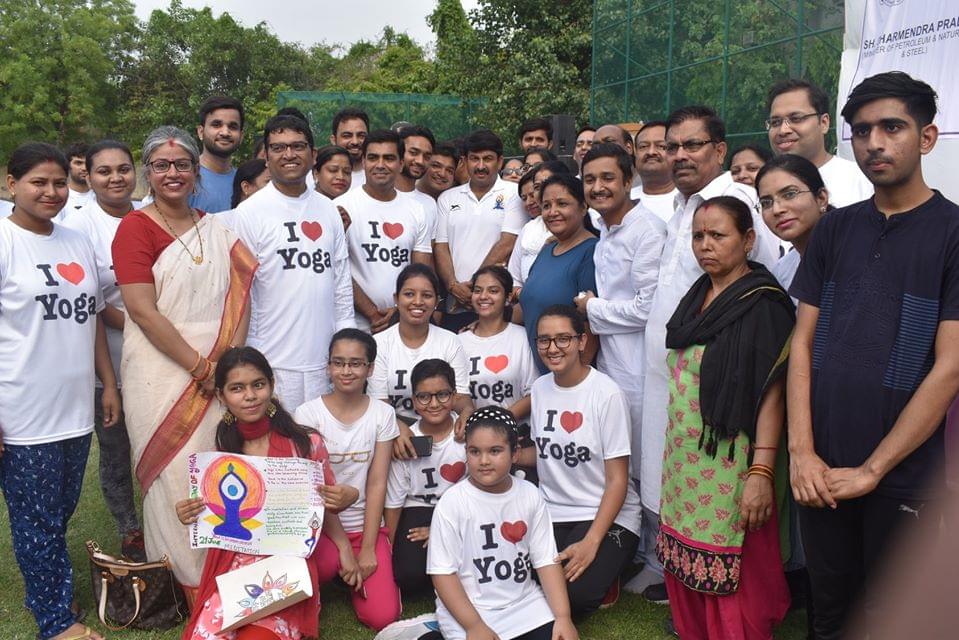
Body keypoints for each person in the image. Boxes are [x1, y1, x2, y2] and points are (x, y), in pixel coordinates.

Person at [788, 71, 959, 639]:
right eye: (861, 132)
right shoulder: (835, 229)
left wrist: (871, 470)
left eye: (892, 127)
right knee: (829, 612)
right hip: (821, 470)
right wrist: (803, 453)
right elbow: (803, 344)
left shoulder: (954, 234)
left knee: (892, 619)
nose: (875, 144)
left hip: (903, 475)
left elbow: (950, 366)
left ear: (927, 138)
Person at [640, 105, 781, 605]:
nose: (678, 155)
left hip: (720, 390)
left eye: (692, 145)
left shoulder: (736, 200)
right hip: (676, 385)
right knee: (675, 494)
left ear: (719, 150)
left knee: (720, 509)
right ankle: (682, 588)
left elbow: (759, 293)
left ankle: (724, 606)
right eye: (671, 145)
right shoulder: (683, 207)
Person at [113, 126, 257, 596]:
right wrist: (200, 367)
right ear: (147, 174)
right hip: (160, 368)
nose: (172, 173)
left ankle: (223, 568)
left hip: (218, 365)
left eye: (181, 165)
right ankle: (179, 579)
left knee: (215, 462)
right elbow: (140, 309)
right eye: (161, 165)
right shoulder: (134, 227)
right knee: (171, 471)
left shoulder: (215, 229)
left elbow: (240, 295)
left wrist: (228, 365)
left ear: (196, 172)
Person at [658, 195, 794, 639]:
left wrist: (760, 472)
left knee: (735, 560)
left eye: (718, 235)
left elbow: (772, 395)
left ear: (748, 240)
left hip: (734, 462)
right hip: (684, 458)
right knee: (687, 554)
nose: (705, 245)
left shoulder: (763, 304)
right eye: (698, 236)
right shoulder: (697, 297)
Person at [1, 142, 119, 640]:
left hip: (73, 405)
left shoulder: (75, 241)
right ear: (11, 184)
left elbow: (91, 315)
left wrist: (107, 382)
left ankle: (44, 587)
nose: (50, 192)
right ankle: (56, 621)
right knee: (38, 521)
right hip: (21, 410)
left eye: (56, 183)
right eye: (37, 182)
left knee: (57, 512)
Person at [177, 347, 360, 640]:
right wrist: (190, 511)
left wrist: (348, 499)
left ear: (271, 386)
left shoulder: (305, 444)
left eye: (257, 385)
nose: (249, 396)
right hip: (234, 564)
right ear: (222, 397)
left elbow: (325, 502)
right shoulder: (222, 453)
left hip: (285, 567)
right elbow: (214, 512)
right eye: (237, 388)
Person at [573, 143, 666, 593]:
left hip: (643, 369)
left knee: (647, 462)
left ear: (628, 179)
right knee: (621, 462)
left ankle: (659, 563)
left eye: (608, 178)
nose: (598, 187)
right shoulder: (605, 232)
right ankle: (633, 552)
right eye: (590, 180)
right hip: (613, 364)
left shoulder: (647, 230)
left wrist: (593, 309)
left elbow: (651, 307)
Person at [517, 305, 642, 615]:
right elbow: (548, 452)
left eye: (563, 338)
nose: (553, 348)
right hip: (553, 510)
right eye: (544, 340)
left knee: (575, 596)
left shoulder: (606, 394)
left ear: (581, 341)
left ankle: (611, 572)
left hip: (606, 512)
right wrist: (511, 457)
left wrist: (592, 542)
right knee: (523, 581)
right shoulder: (540, 389)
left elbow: (617, 480)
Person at [230, 114, 355, 408]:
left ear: (313, 155)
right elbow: (239, 292)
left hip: (324, 361)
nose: (288, 154)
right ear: (267, 156)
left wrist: (346, 346)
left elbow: (341, 284)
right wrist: (249, 357)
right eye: (278, 147)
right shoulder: (249, 213)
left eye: (297, 146)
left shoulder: (328, 210)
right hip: (271, 360)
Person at [428, 406, 579, 640]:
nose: (484, 460)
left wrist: (562, 617)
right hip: (470, 612)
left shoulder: (530, 495)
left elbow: (546, 562)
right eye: (475, 452)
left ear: (515, 453)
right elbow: (443, 574)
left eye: (495, 451)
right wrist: (474, 626)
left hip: (525, 606)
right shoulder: (452, 503)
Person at [62, 140, 144, 560]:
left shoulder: (152, 213)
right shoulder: (79, 227)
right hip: (107, 359)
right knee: (115, 449)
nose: (116, 178)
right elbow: (93, 300)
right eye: (104, 171)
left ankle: (170, 520)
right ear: (88, 177)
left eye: (124, 169)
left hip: (158, 357)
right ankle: (130, 530)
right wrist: (149, 326)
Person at [294, 330, 402, 631]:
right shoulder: (308, 414)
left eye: (355, 363)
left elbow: (377, 482)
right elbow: (313, 490)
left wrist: (368, 547)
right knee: (325, 564)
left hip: (366, 525)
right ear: (328, 366)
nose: (346, 371)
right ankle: (334, 574)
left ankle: (354, 573)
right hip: (323, 528)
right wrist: (343, 547)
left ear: (369, 368)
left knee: (383, 617)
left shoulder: (383, 414)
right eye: (338, 362)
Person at [335, 129, 433, 333]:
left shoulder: (417, 210)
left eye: (388, 158)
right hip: (356, 325)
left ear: (401, 164)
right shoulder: (341, 207)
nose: (380, 165)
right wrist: (371, 313)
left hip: (404, 324)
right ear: (363, 162)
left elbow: (420, 272)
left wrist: (399, 311)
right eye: (373, 158)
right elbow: (338, 271)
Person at [384, 359, 468, 596]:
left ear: (453, 396)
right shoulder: (407, 439)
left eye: (442, 395)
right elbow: (394, 500)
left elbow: (478, 491)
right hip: (418, 507)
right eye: (424, 397)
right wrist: (387, 549)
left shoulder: (466, 433)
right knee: (408, 577)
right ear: (413, 401)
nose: (433, 404)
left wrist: (441, 530)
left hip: (461, 510)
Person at [435, 129, 527, 332]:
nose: (481, 166)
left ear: (500, 161)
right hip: (456, 304)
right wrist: (453, 286)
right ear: (464, 161)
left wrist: (476, 287)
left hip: (497, 303)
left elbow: (506, 243)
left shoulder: (514, 194)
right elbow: (441, 246)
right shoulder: (447, 198)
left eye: (488, 159)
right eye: (474, 159)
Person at [368, 264, 472, 428]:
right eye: (409, 294)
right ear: (396, 298)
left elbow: (460, 396)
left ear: (437, 301)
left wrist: (467, 411)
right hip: (394, 433)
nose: (418, 302)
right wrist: (398, 429)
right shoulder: (379, 344)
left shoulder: (450, 341)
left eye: (427, 295)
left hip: (443, 431)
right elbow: (378, 403)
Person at [519, 174, 598, 374]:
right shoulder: (547, 250)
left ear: (583, 206)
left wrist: (576, 380)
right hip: (541, 376)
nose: (552, 212)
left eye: (562, 204)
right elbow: (531, 302)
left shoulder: (591, 252)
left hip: (569, 380)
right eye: (546, 206)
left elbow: (592, 324)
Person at [767, 79, 872, 207]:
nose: (783, 130)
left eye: (796, 119)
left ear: (824, 123)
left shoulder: (862, 180)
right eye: (775, 122)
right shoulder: (762, 188)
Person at [459, 266, 538, 420]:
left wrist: (499, 422)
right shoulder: (459, 341)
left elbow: (534, 392)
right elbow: (456, 393)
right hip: (470, 436)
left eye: (493, 291)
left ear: (508, 298)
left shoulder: (522, 338)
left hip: (515, 433)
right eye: (477, 290)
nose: (483, 296)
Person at [754, 154, 830, 292]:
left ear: (821, 198)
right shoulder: (781, 272)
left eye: (790, 194)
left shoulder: (853, 254)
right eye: (766, 203)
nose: (777, 210)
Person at [508, 161, 571, 289]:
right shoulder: (529, 228)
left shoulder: (580, 223)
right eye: (537, 187)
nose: (543, 190)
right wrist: (522, 294)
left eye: (548, 183)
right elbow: (514, 278)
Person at [190, 95, 244, 213]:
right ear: (201, 131)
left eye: (233, 127)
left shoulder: (244, 182)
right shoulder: (186, 178)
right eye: (216, 125)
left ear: (241, 136)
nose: (225, 132)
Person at [632, 121, 679, 224]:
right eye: (643, 146)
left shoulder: (687, 200)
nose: (651, 152)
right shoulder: (624, 200)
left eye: (661, 146)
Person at [313, 145, 353, 230]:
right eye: (333, 170)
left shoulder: (353, 207)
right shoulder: (305, 207)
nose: (341, 177)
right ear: (316, 173)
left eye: (347, 172)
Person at [330, 107, 370, 190]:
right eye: (347, 136)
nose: (355, 142)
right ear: (333, 140)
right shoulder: (318, 177)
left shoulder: (380, 176)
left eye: (361, 136)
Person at [63, 142, 92, 214]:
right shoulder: (60, 196)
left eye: (88, 163)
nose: (84, 168)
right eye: (78, 163)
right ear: (68, 165)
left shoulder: (101, 197)